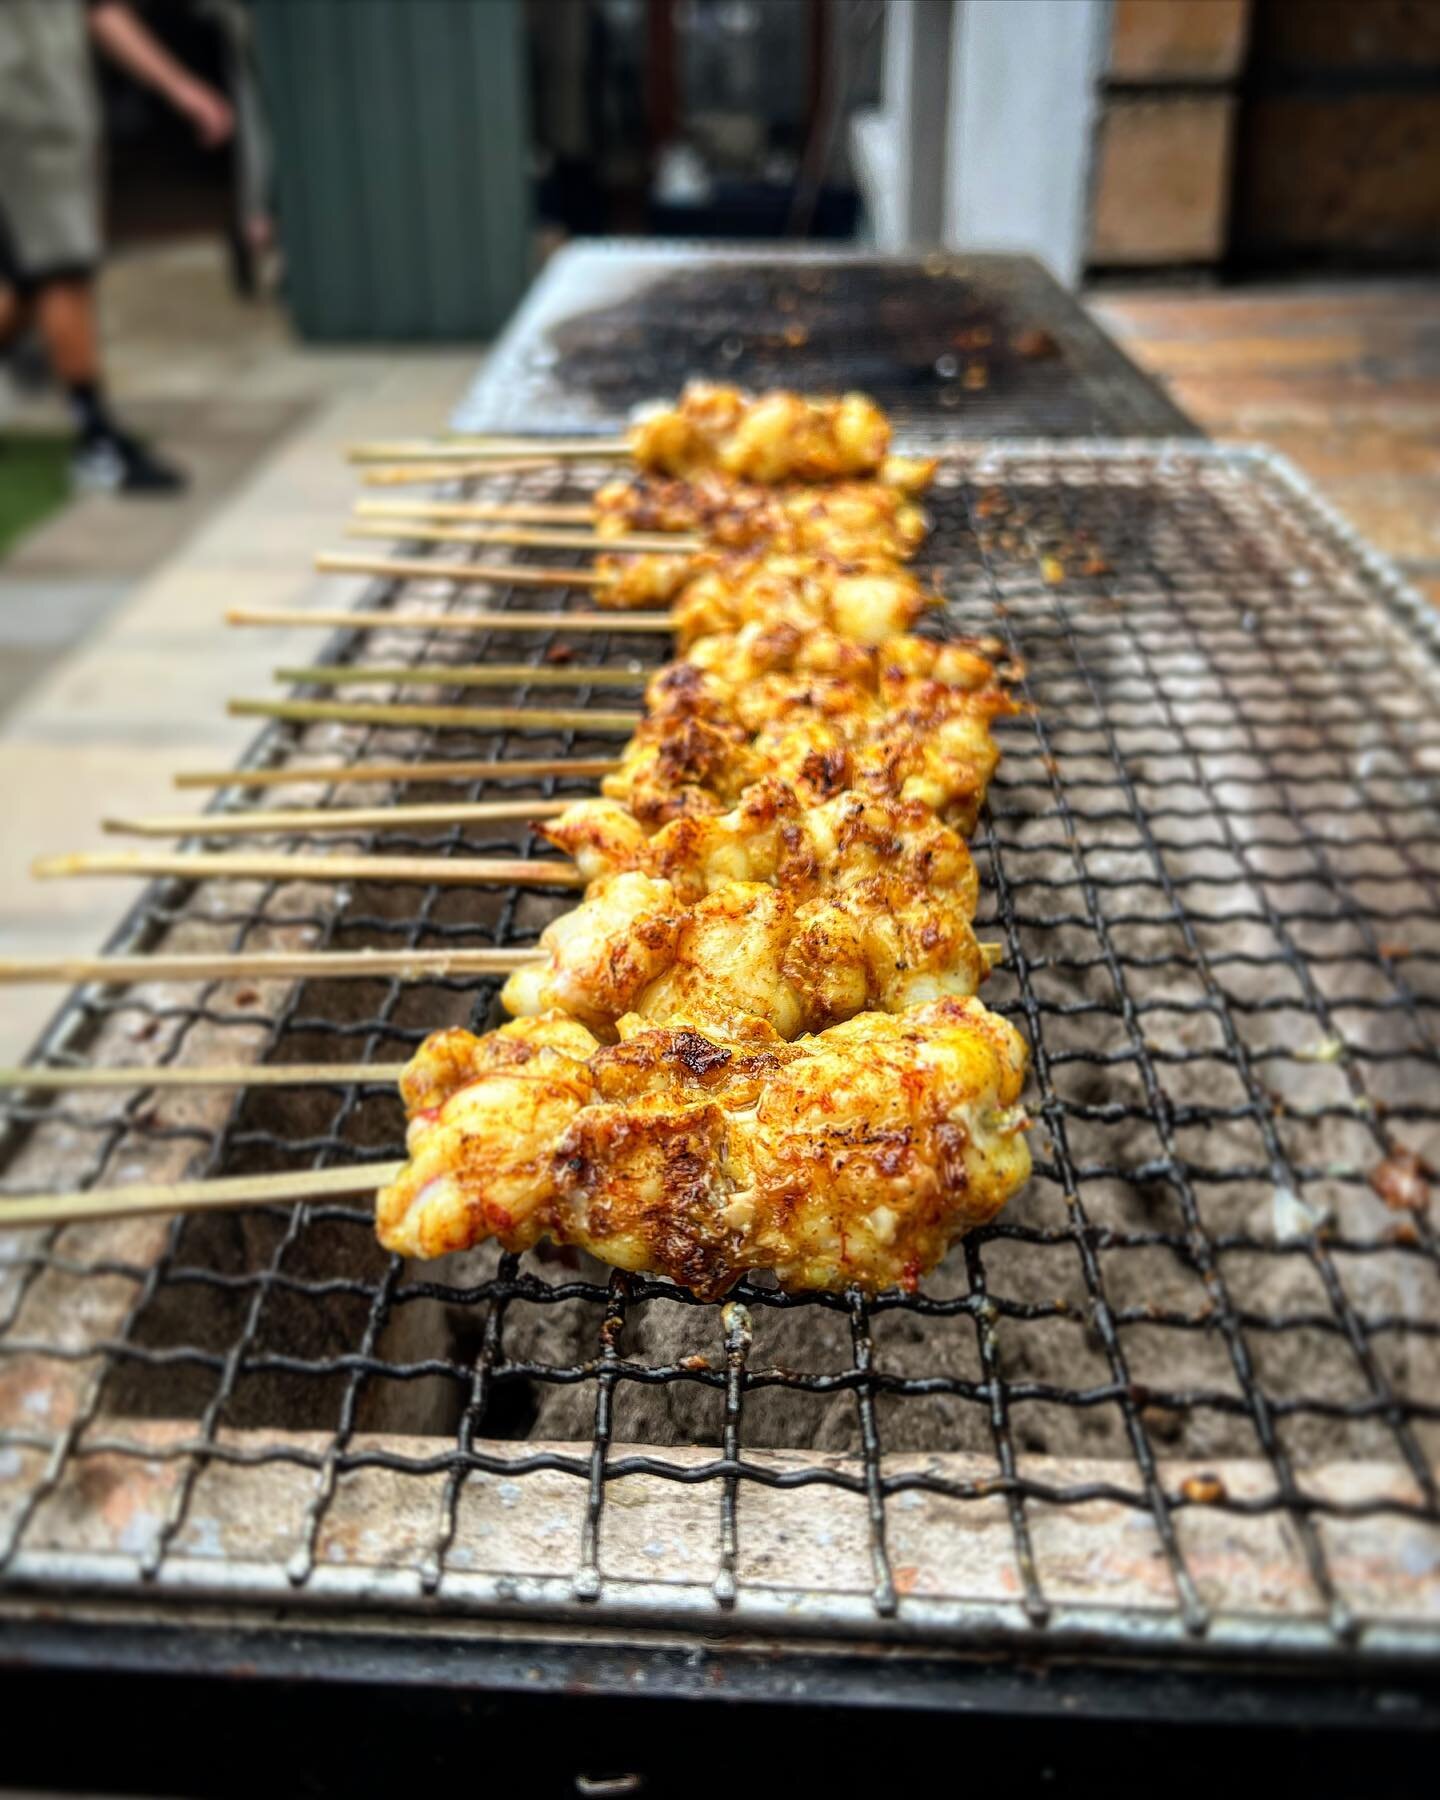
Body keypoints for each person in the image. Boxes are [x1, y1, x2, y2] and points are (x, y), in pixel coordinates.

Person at [0, 0, 234, 494]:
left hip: (46, 108)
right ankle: (96, 440)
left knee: (28, 280)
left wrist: (179, 88)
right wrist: (181, 88)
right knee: (63, 269)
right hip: (30, 114)